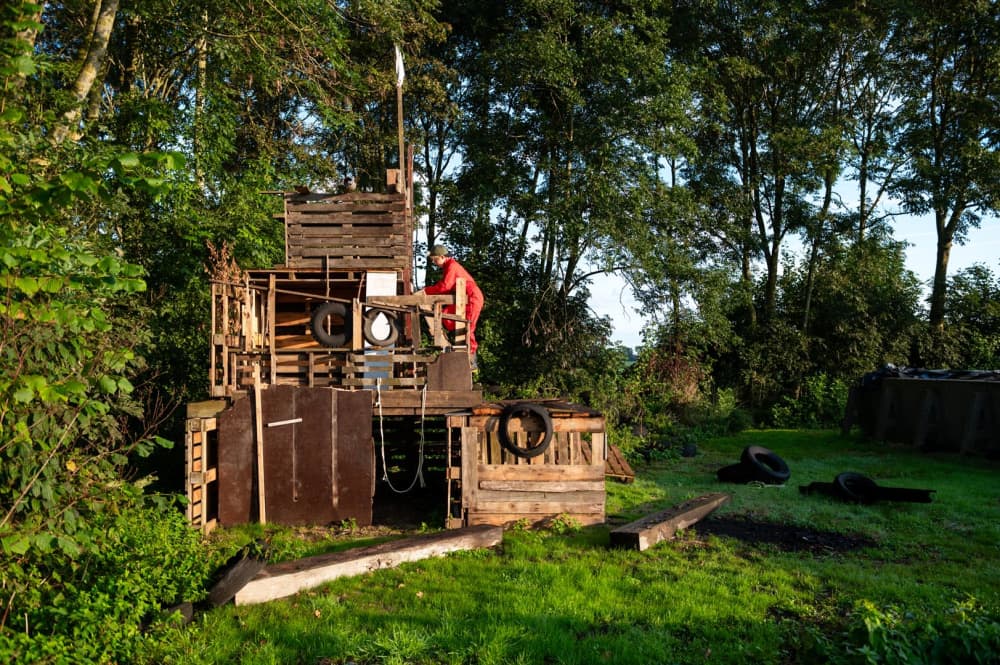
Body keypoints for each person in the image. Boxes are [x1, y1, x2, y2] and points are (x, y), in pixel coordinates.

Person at [414, 244, 484, 369]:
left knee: (468, 327)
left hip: (472, 298)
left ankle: (471, 361)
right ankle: (462, 353)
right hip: (464, 298)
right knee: (446, 316)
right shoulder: (448, 267)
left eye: (435, 260)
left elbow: (445, 286)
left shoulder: (452, 266)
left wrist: (425, 291)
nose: (435, 263)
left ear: (442, 256)